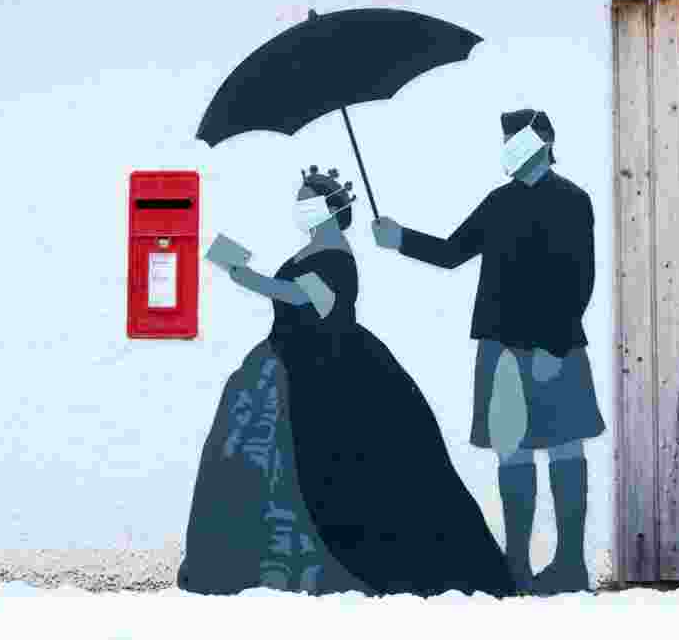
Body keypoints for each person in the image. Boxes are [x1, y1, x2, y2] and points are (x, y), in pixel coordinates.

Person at [178, 165, 516, 598]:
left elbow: (309, 298)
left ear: (330, 207)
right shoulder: (311, 249)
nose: (300, 207)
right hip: (286, 357)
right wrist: (249, 277)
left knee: (348, 470)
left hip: (330, 370)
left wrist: (249, 278)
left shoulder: (337, 255)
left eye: (307, 199)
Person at [371, 109, 606, 595]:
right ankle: (517, 568)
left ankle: (570, 567)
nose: (505, 144)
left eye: (512, 137)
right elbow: (454, 251)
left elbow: (580, 278)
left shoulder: (573, 200)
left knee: (565, 447)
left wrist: (556, 345)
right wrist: (399, 239)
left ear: (540, 142)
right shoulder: (498, 202)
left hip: (554, 348)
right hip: (499, 346)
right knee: (512, 452)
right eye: (503, 138)